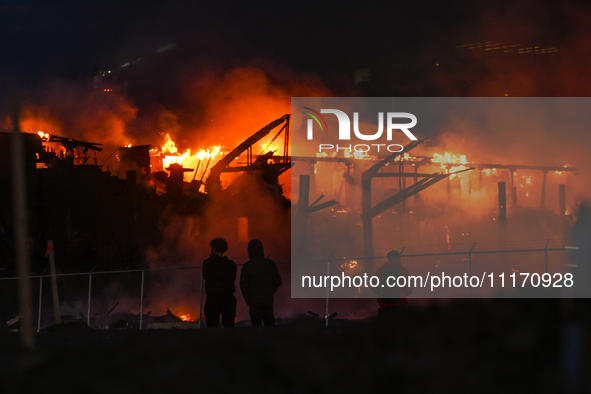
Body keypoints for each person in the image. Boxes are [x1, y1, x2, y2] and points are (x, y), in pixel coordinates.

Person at [240, 239, 282, 327]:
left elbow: (243, 285)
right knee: (270, 327)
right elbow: (278, 281)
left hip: (254, 303)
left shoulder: (247, 266)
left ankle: (258, 341)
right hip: (267, 301)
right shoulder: (270, 264)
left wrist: (248, 297)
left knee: (256, 328)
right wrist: (269, 292)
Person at [202, 238, 237, 328]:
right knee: (229, 327)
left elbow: (205, 276)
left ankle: (214, 342)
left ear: (214, 248)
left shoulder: (207, 263)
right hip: (228, 298)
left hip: (212, 298)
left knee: (212, 326)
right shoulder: (231, 264)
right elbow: (233, 278)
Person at [374, 250, 413, 325]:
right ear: (398, 259)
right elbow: (409, 289)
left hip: (384, 307)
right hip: (399, 307)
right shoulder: (403, 271)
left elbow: (374, 288)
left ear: (388, 259)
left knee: (382, 330)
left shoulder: (380, 270)